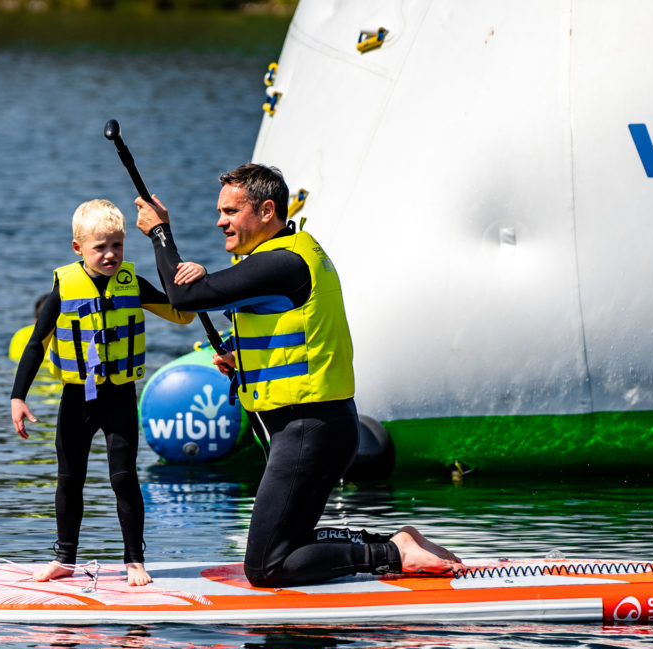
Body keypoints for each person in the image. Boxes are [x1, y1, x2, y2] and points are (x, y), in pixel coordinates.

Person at [136, 164, 464, 587]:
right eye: (221, 211)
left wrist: (160, 234)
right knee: (284, 544)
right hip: (318, 427)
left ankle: (391, 553)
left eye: (231, 211)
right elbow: (297, 335)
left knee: (266, 567)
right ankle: (396, 544)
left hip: (309, 430)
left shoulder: (283, 263)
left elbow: (185, 299)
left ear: (267, 210)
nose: (220, 221)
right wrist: (245, 360)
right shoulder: (292, 255)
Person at [9, 199, 204, 586]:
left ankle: (134, 561)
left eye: (117, 245)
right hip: (76, 399)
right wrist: (18, 396)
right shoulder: (64, 287)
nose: (110, 254)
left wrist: (191, 277)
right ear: (78, 248)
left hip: (119, 397)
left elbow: (183, 314)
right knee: (70, 479)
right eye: (100, 247)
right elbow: (36, 344)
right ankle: (64, 558)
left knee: (124, 477)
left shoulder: (133, 282)